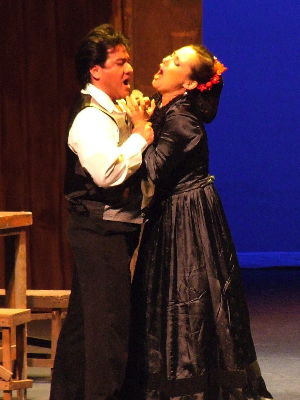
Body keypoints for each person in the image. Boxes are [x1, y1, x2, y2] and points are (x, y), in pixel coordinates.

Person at [121, 45, 274, 400]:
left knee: (189, 298)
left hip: (186, 219)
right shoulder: (170, 111)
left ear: (188, 83)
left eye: (174, 62)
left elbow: (155, 170)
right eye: (168, 56)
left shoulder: (182, 120)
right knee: (173, 298)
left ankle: (191, 386)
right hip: (174, 214)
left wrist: (140, 127)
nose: (162, 61)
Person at [49, 24, 153, 400]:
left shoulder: (112, 111)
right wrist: (140, 134)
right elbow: (107, 173)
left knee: (83, 329)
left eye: (128, 61)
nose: (129, 69)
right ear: (96, 70)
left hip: (109, 232)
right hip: (99, 233)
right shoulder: (91, 118)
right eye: (120, 62)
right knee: (107, 333)